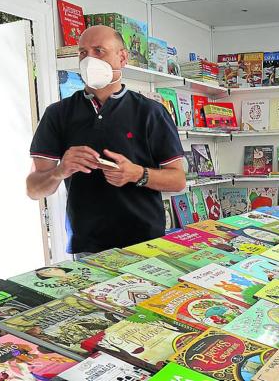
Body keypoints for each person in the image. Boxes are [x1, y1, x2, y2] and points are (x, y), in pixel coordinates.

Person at [26, 26, 185, 256]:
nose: (89, 60)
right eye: (83, 53)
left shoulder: (151, 112)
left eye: (99, 51)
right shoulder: (58, 114)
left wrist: (138, 174)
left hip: (146, 243)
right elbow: (33, 189)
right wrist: (60, 171)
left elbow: (178, 180)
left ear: (122, 57)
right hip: (87, 247)